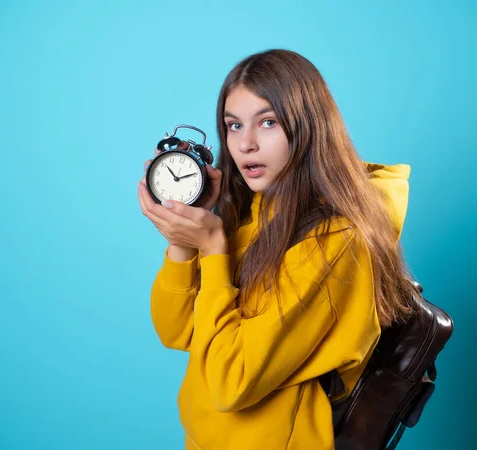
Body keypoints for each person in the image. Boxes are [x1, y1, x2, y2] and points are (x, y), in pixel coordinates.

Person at [137, 49, 419, 450]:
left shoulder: (336, 241)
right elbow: (178, 331)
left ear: (308, 127)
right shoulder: (255, 209)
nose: (246, 144)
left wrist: (214, 248)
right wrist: (182, 242)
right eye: (234, 126)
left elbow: (231, 383)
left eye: (268, 122)